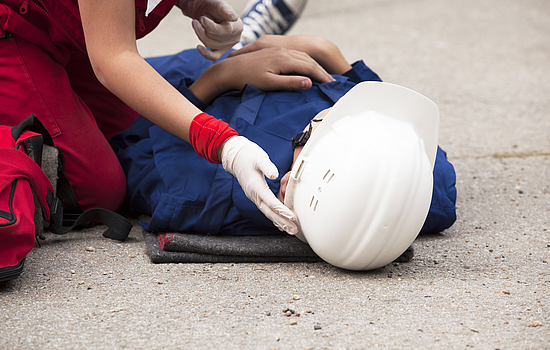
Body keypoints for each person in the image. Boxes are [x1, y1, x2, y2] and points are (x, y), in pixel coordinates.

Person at [0, 0, 314, 235]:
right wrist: (224, 145)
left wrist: (193, 3)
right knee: (95, 190)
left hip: (68, 27)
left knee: (136, 129)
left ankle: (223, 61)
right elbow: (113, 60)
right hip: (15, 31)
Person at [111, 35, 457, 237]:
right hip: (292, 62)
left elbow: (130, 137)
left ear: (291, 182)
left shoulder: (196, 193)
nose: (327, 118)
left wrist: (217, 77)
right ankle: (262, 38)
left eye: (313, 135)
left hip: (195, 87)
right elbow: (387, 110)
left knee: (108, 70)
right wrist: (328, 54)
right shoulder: (427, 188)